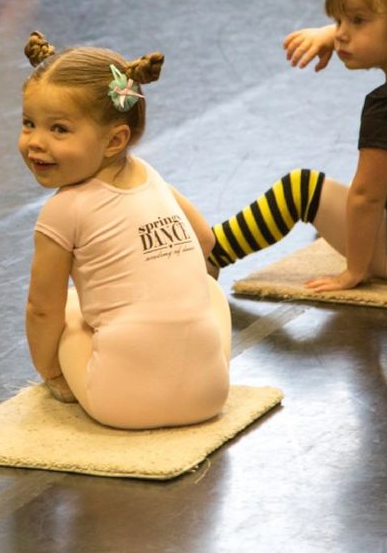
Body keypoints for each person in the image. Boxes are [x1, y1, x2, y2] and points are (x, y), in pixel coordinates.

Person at [19, 31, 231, 429]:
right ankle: (193, 368)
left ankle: (75, 378)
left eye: (59, 129)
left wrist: (52, 373)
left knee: (66, 306)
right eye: (29, 124)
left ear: (115, 139)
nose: (36, 143)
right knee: (211, 291)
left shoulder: (62, 211)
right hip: (210, 395)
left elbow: (40, 309)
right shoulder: (150, 175)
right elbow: (205, 240)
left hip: (120, 405)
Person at [207, 0, 387, 292]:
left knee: (302, 189)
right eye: (338, 21)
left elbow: (367, 198)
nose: (341, 35)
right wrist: (334, 32)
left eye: (356, 21)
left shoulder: (383, 108)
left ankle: (209, 252)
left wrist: (354, 271)